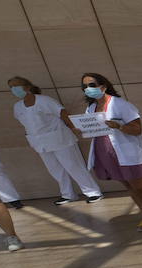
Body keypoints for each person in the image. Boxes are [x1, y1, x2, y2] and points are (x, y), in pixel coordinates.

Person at [80, 73, 142, 231]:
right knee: (129, 187)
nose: (88, 89)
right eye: (85, 87)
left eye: (92, 85)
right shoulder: (91, 108)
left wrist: (119, 126)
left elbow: (137, 129)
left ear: (103, 86)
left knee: (140, 186)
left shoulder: (120, 104)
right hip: (106, 153)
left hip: (127, 152)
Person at [8, 76, 102, 205]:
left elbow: (62, 113)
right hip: (39, 143)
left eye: (16, 86)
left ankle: (93, 192)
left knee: (73, 166)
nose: (14, 89)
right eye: (11, 87)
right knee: (55, 170)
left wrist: (73, 127)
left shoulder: (44, 100)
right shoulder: (17, 106)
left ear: (27, 87)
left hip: (59, 138)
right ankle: (68, 194)